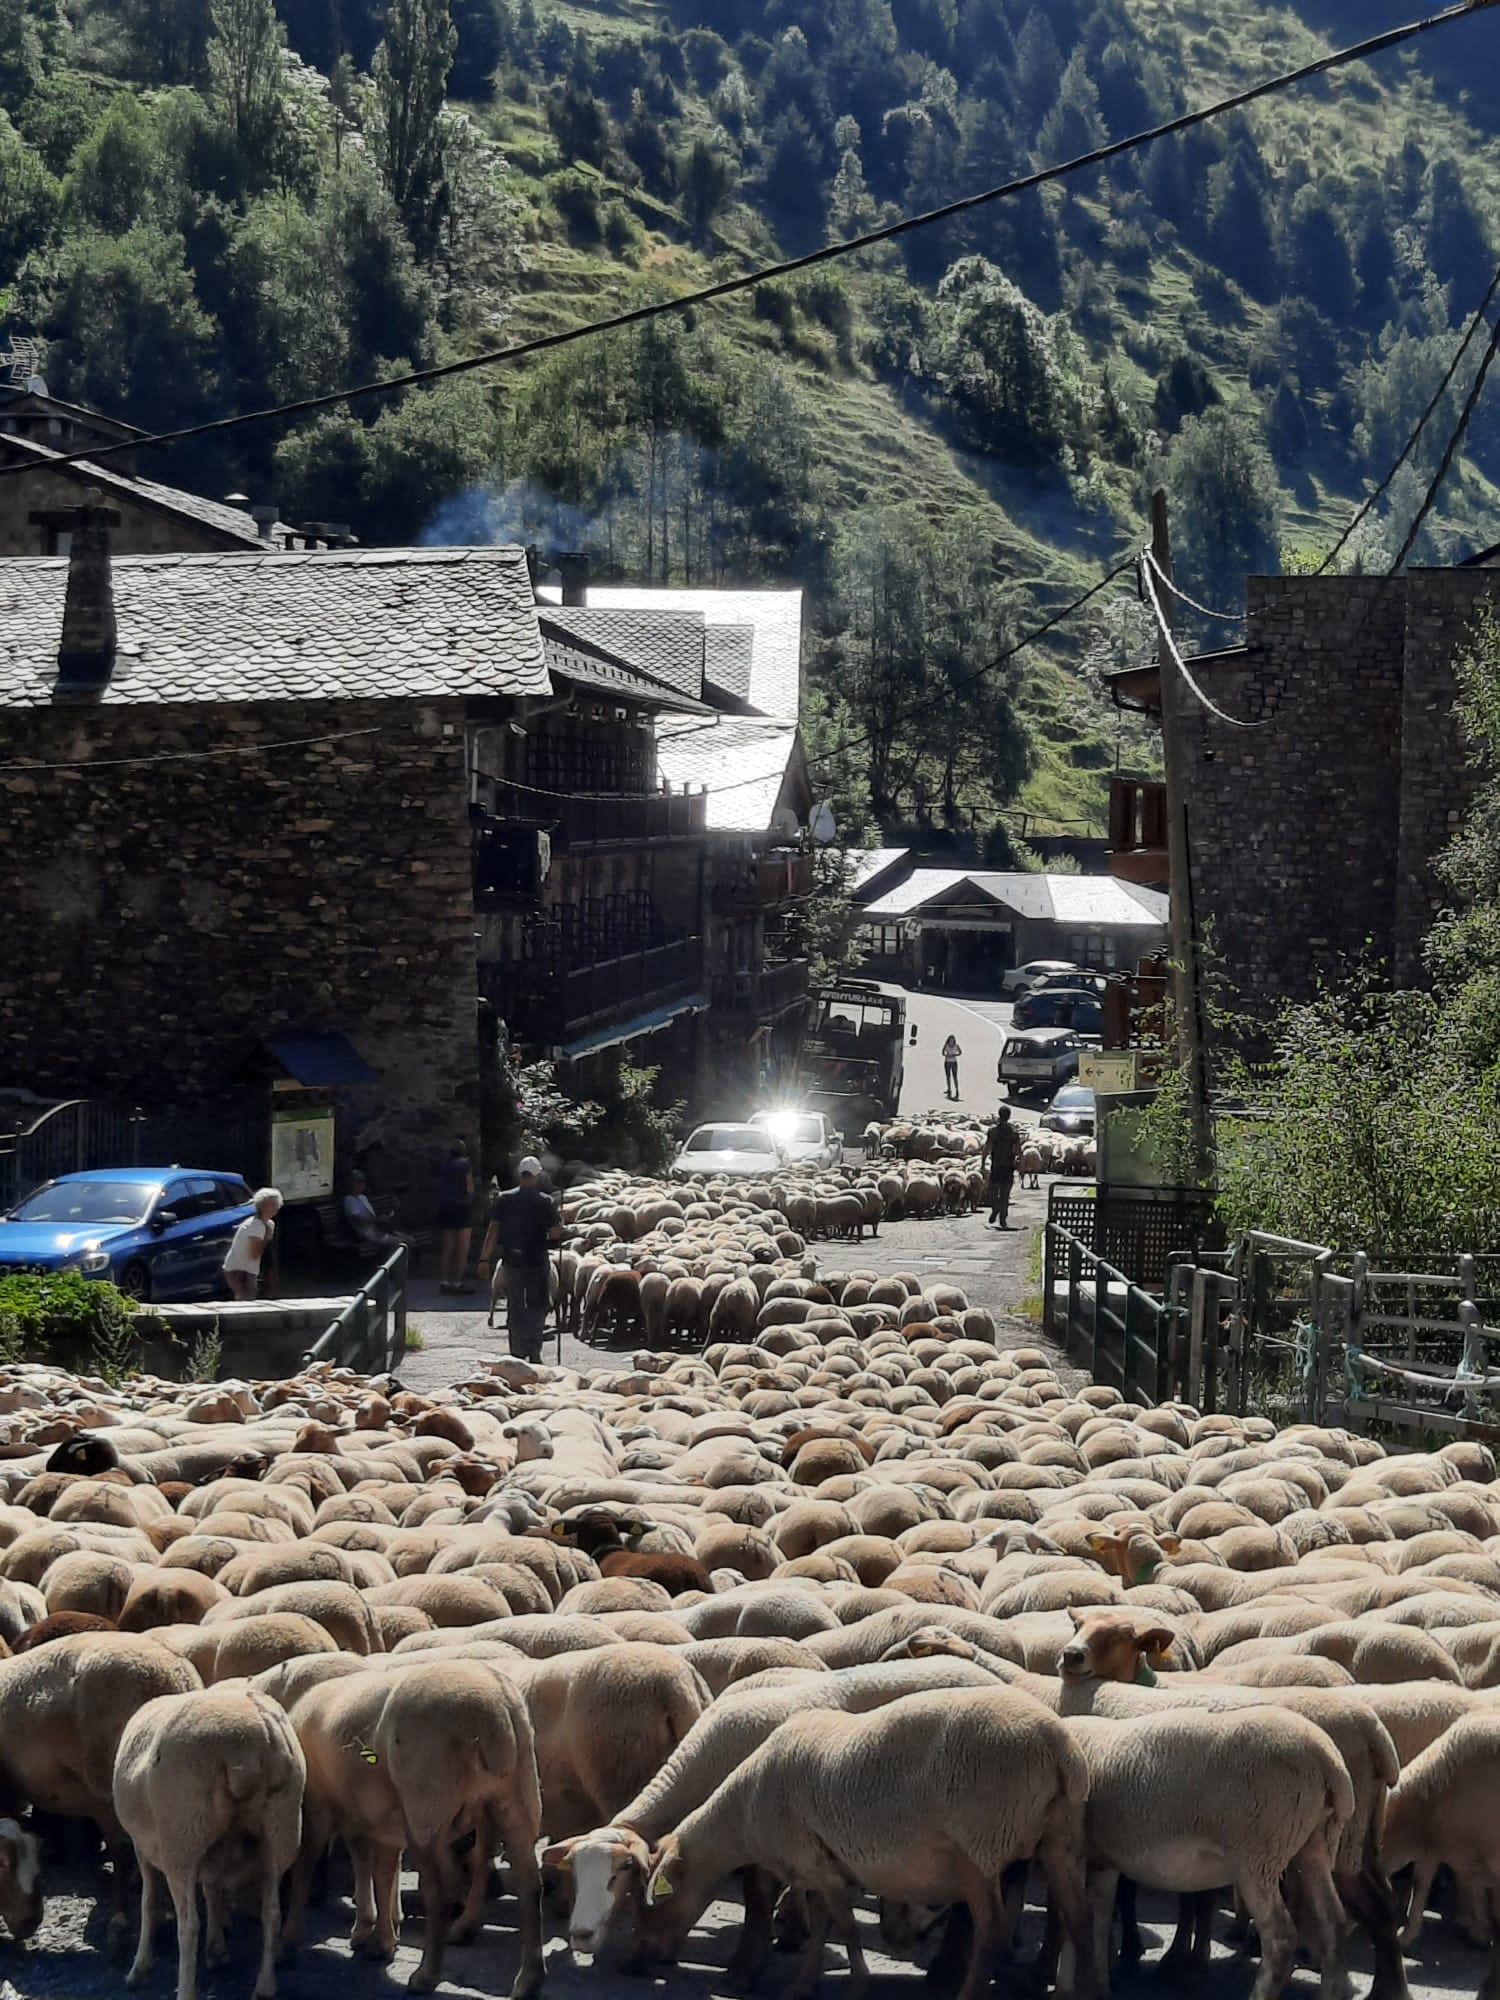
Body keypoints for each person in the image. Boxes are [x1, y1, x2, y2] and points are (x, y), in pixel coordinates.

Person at [480, 1157, 562, 1362]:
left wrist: (484, 1259)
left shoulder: (504, 1199)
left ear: (520, 1174)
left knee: (515, 1306)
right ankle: (533, 1349)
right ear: (536, 1175)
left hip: (512, 1261)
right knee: (537, 1305)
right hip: (536, 1261)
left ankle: (516, 1352)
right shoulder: (545, 1201)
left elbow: (492, 1231)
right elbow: (554, 1233)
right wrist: (559, 1230)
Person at [222, 1188, 282, 1301]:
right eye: (272, 1204)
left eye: (277, 1204)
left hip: (250, 1268)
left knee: (249, 1300)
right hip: (238, 1269)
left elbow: (267, 1253)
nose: (276, 1207)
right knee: (245, 1301)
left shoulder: (269, 1224)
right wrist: (267, 1236)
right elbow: (254, 1254)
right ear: (261, 1206)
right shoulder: (256, 1225)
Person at [436, 1140, 475, 1295]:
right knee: (463, 1246)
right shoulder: (465, 1164)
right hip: (462, 1207)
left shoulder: (444, 1165)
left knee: (448, 1246)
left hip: (445, 1207)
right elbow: (469, 1186)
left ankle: (444, 1281)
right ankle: (457, 1282)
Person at [342, 1171, 408, 1257]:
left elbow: (372, 1216)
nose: (362, 1185)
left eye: (363, 1182)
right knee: (401, 1243)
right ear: (353, 1183)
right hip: (366, 1233)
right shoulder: (349, 1200)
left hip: (377, 1229)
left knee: (408, 1239)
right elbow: (357, 1220)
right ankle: (395, 1268)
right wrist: (378, 1220)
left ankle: (403, 1265)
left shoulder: (362, 1197)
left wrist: (383, 1219)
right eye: (359, 1182)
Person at [985, 1109, 1017, 1229]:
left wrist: (983, 1162)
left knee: (992, 1192)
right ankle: (1002, 1219)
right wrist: (1022, 1163)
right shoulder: (1013, 1132)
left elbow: (987, 1147)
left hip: (996, 1165)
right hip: (1008, 1166)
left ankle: (996, 1208)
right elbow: (1018, 1150)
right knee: (1005, 1194)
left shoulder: (992, 1131)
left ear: (999, 1115)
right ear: (1009, 1117)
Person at [942, 1034, 962, 1100]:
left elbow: (960, 1052)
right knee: (948, 1076)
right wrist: (946, 1055)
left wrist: (954, 1054)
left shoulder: (956, 1046)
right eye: (950, 1040)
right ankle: (949, 1089)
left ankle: (957, 1090)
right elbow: (942, 1052)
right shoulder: (946, 1045)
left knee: (955, 1076)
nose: (951, 1041)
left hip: (954, 1062)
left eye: (952, 1040)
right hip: (947, 1062)